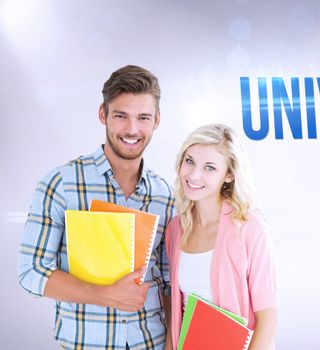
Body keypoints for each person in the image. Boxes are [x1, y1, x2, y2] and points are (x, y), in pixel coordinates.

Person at [18, 65, 176, 350]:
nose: (132, 129)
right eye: (120, 116)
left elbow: (168, 283)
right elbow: (31, 272)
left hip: (151, 343)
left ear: (157, 121)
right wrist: (105, 295)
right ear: (103, 114)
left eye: (143, 117)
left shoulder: (165, 195)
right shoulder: (61, 184)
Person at [164, 124, 278, 350]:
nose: (194, 175)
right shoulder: (176, 229)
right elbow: (177, 315)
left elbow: (268, 320)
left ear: (229, 175)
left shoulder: (250, 229)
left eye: (209, 167)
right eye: (190, 161)